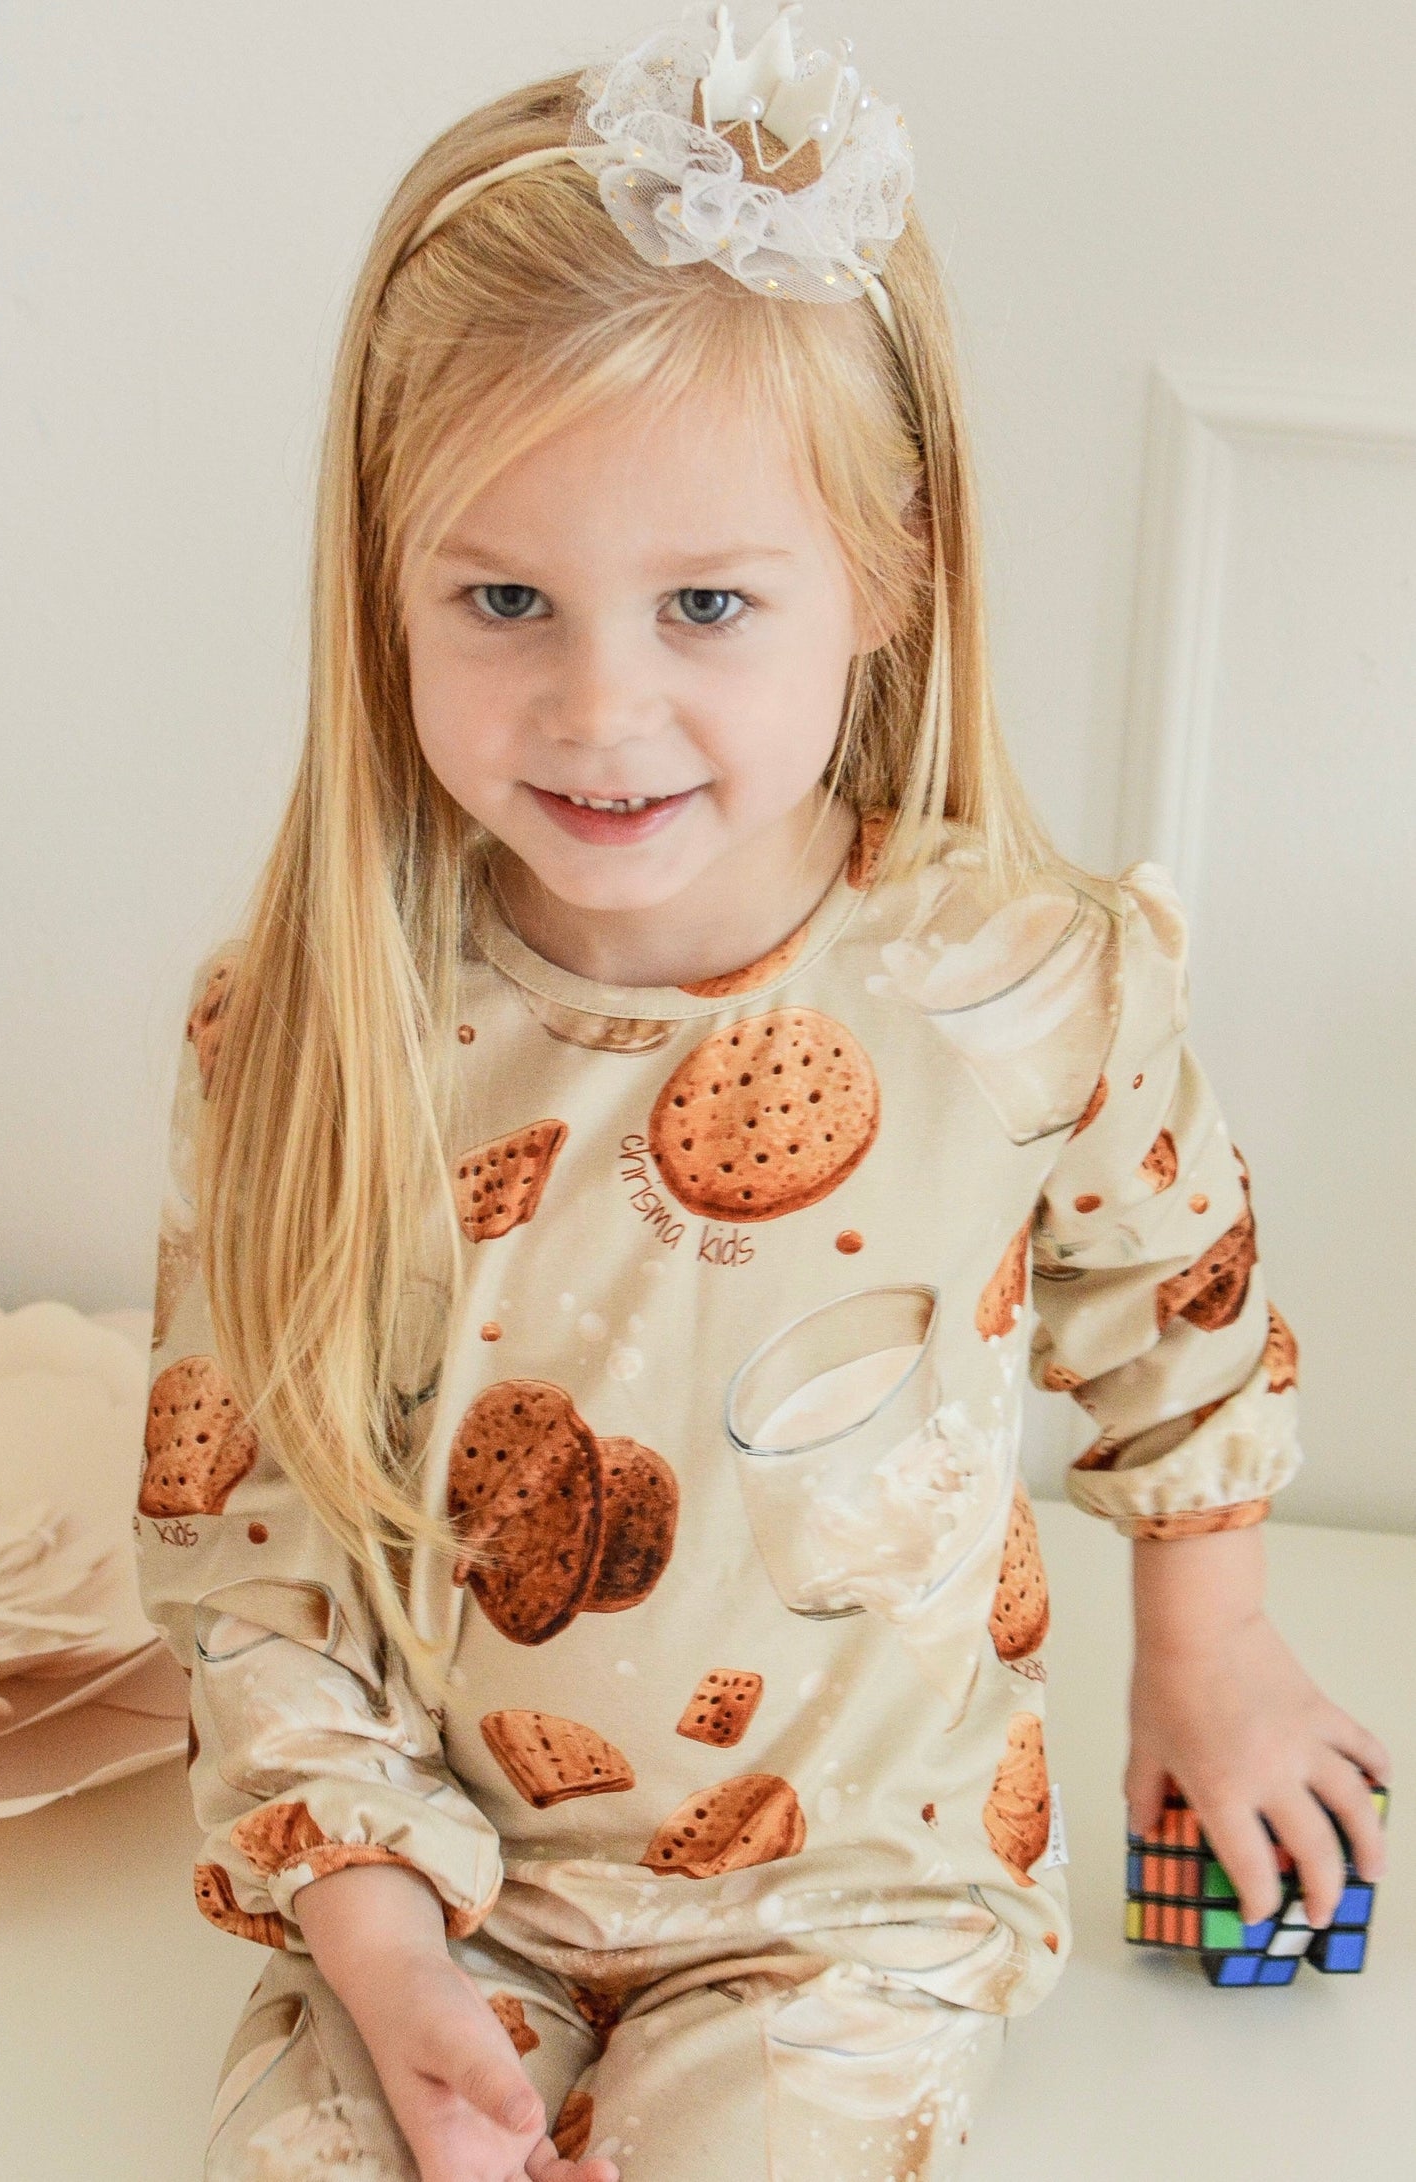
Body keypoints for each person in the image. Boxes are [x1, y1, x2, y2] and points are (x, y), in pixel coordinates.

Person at [134, 7, 1388, 2178]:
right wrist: (379, 1932)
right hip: (433, 1887)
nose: (600, 706)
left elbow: (1177, 1314)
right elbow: (248, 1554)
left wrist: (1217, 1648)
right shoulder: (311, 1024)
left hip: (856, 1910)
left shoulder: (1024, 985)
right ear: (387, 590)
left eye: (709, 599)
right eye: (503, 595)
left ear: (888, 574)